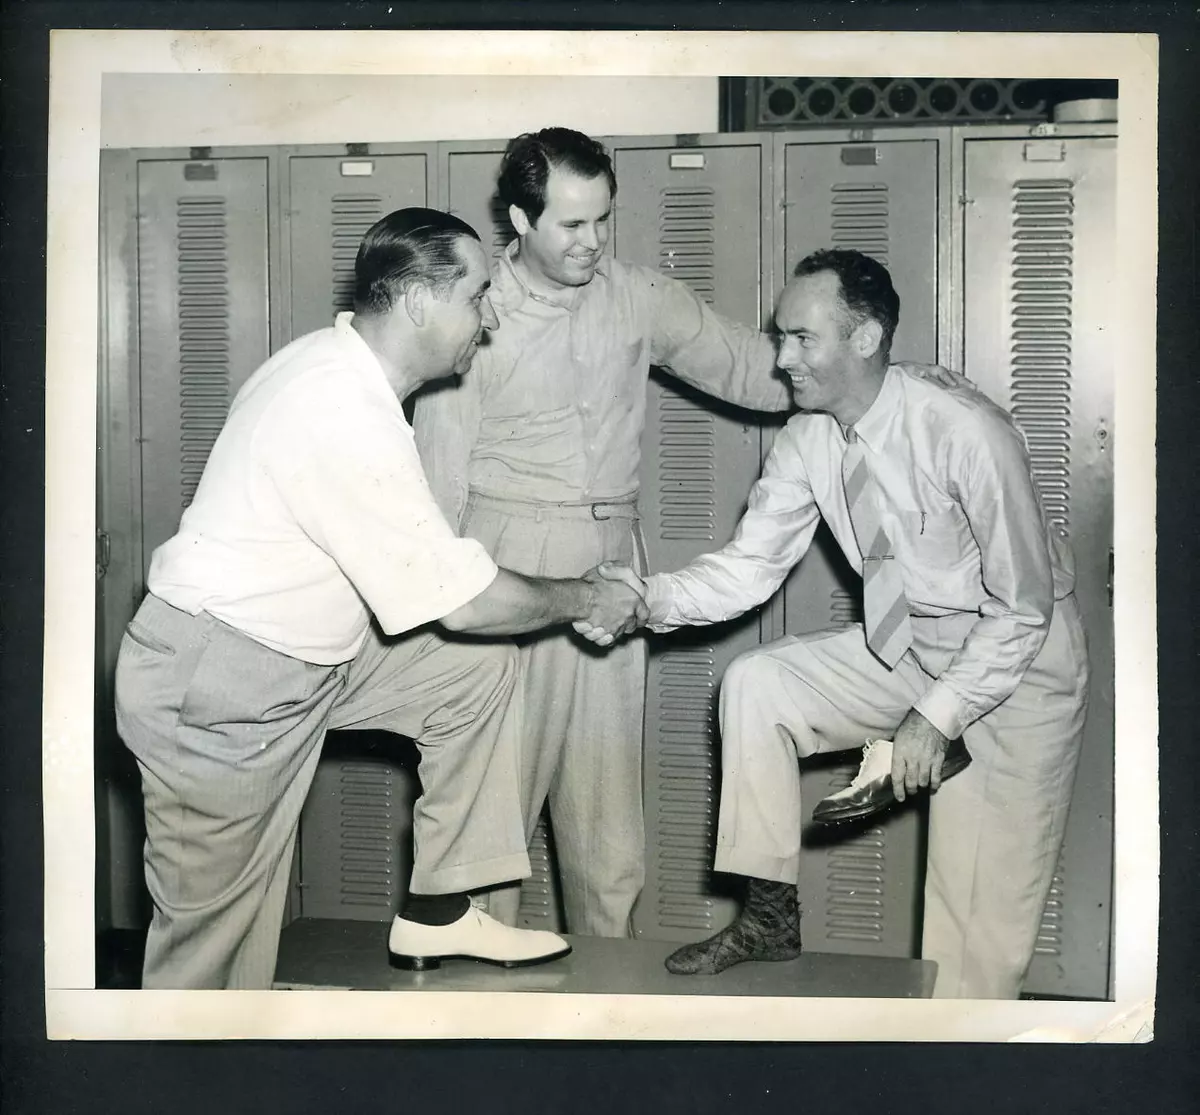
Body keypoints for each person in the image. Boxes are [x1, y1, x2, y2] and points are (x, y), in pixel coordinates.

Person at [413, 127, 958, 939]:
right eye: (570, 224)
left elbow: (758, 369)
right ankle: (481, 1010)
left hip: (609, 569)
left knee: (608, 827)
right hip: (505, 569)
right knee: (492, 817)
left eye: (603, 219)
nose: (592, 242)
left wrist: (886, 376)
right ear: (521, 220)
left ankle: (606, 1010)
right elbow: (435, 482)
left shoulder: (639, 297)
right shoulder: (477, 318)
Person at [113, 207, 646, 990]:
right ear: (419, 302)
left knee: (467, 673)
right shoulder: (342, 408)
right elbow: (464, 601)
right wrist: (587, 596)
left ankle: (440, 908)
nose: (490, 315)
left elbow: (441, 606)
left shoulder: (338, 367)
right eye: (476, 296)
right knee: (214, 960)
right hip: (219, 687)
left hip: (298, 658)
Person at [592, 248, 1089, 999]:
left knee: (975, 933)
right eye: (780, 337)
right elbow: (749, 569)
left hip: (1016, 665)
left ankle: (958, 1070)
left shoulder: (962, 431)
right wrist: (647, 599)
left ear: (864, 338)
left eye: (800, 338)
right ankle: (770, 915)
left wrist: (936, 717)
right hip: (913, 644)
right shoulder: (810, 439)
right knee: (757, 683)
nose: (781, 358)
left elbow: (1023, 608)